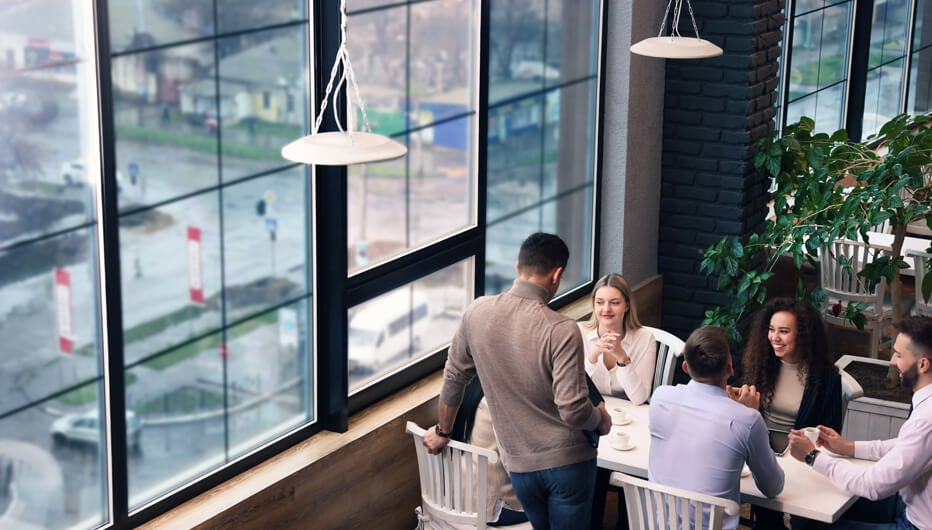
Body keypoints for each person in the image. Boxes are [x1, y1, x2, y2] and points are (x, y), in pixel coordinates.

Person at [423, 232, 612, 530]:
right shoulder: (561, 329)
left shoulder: (476, 312)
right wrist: (599, 418)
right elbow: (573, 410)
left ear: (517, 267)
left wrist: (443, 430)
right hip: (567, 463)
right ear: (557, 274)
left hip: (521, 469)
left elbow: (454, 378)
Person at [787, 315, 932, 530]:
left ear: (922, 364)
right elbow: (905, 446)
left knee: (812, 526)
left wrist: (812, 456)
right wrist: (848, 448)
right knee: (809, 516)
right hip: (907, 504)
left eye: (899, 355)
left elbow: (872, 485)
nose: (892, 361)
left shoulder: (926, 420)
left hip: (916, 524)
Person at [650, 326, 784, 530]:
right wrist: (748, 413)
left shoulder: (660, 397)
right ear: (730, 368)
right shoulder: (746, 420)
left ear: (685, 367)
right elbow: (773, 487)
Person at [743, 298, 842, 528]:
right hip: (762, 462)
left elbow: (831, 433)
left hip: (803, 470)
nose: (774, 337)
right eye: (771, 329)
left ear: (804, 335)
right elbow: (746, 417)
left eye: (784, 331)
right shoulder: (761, 366)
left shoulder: (827, 379)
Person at [578, 273, 657, 405]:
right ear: (594, 305)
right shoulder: (578, 332)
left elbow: (639, 398)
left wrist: (623, 359)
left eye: (614, 303)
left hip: (628, 415)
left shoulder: (645, 339)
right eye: (600, 302)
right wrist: (593, 357)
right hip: (590, 411)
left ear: (626, 305)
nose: (606, 309)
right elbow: (573, 389)